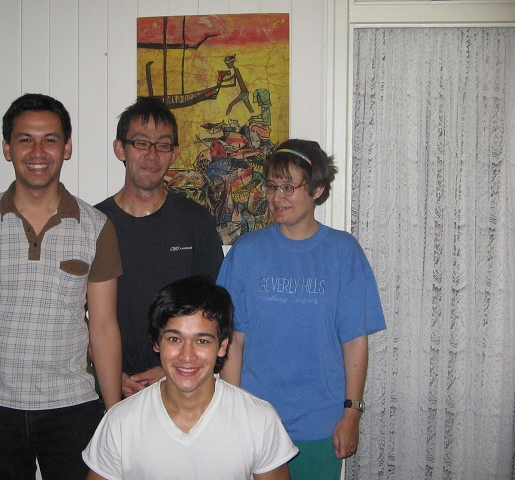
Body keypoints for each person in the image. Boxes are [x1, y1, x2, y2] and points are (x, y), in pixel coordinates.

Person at [0, 93, 122, 480]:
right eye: (25, 139)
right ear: (7, 148)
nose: (38, 152)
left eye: (50, 140)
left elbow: (104, 326)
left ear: (66, 148)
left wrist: (113, 415)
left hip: (71, 405)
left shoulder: (96, 227)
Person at [218, 139, 386, 479]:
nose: (276, 197)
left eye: (288, 187)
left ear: (317, 189)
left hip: (320, 423)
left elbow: (354, 341)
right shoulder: (246, 251)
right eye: (271, 187)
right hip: (255, 421)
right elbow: (233, 340)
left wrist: (351, 413)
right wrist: (231, 412)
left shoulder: (343, 252)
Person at [82, 275, 299, 480]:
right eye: (174, 339)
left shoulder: (259, 420)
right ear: (157, 343)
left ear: (222, 346)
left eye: (202, 341)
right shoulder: (121, 422)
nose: (187, 356)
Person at [95, 96, 223, 398]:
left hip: (183, 382)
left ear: (174, 153)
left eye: (163, 145)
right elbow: (75, 315)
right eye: (141, 143)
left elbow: (216, 309)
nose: (152, 155)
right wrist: (109, 371)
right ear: (120, 149)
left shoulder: (195, 220)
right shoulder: (95, 223)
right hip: (111, 385)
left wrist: (170, 368)